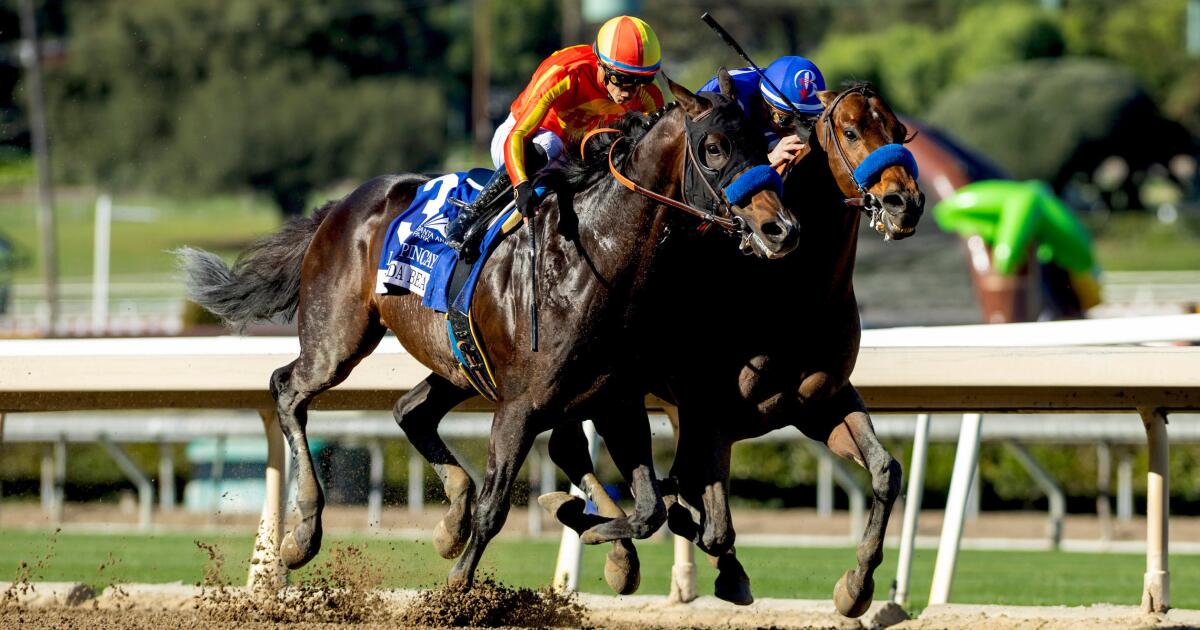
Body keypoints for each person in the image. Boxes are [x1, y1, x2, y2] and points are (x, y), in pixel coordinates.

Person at [447, 15, 666, 257]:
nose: (629, 92)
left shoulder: (648, 96)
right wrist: (521, 186)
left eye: (641, 81)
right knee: (549, 143)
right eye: (622, 80)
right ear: (601, 65)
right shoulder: (564, 74)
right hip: (522, 143)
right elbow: (517, 137)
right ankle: (470, 216)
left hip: (570, 156)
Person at [698, 56, 825, 175]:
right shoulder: (729, 104)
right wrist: (768, 159)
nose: (793, 129)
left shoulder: (774, 87)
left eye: (805, 121)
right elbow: (720, 165)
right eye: (784, 119)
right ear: (764, 102)